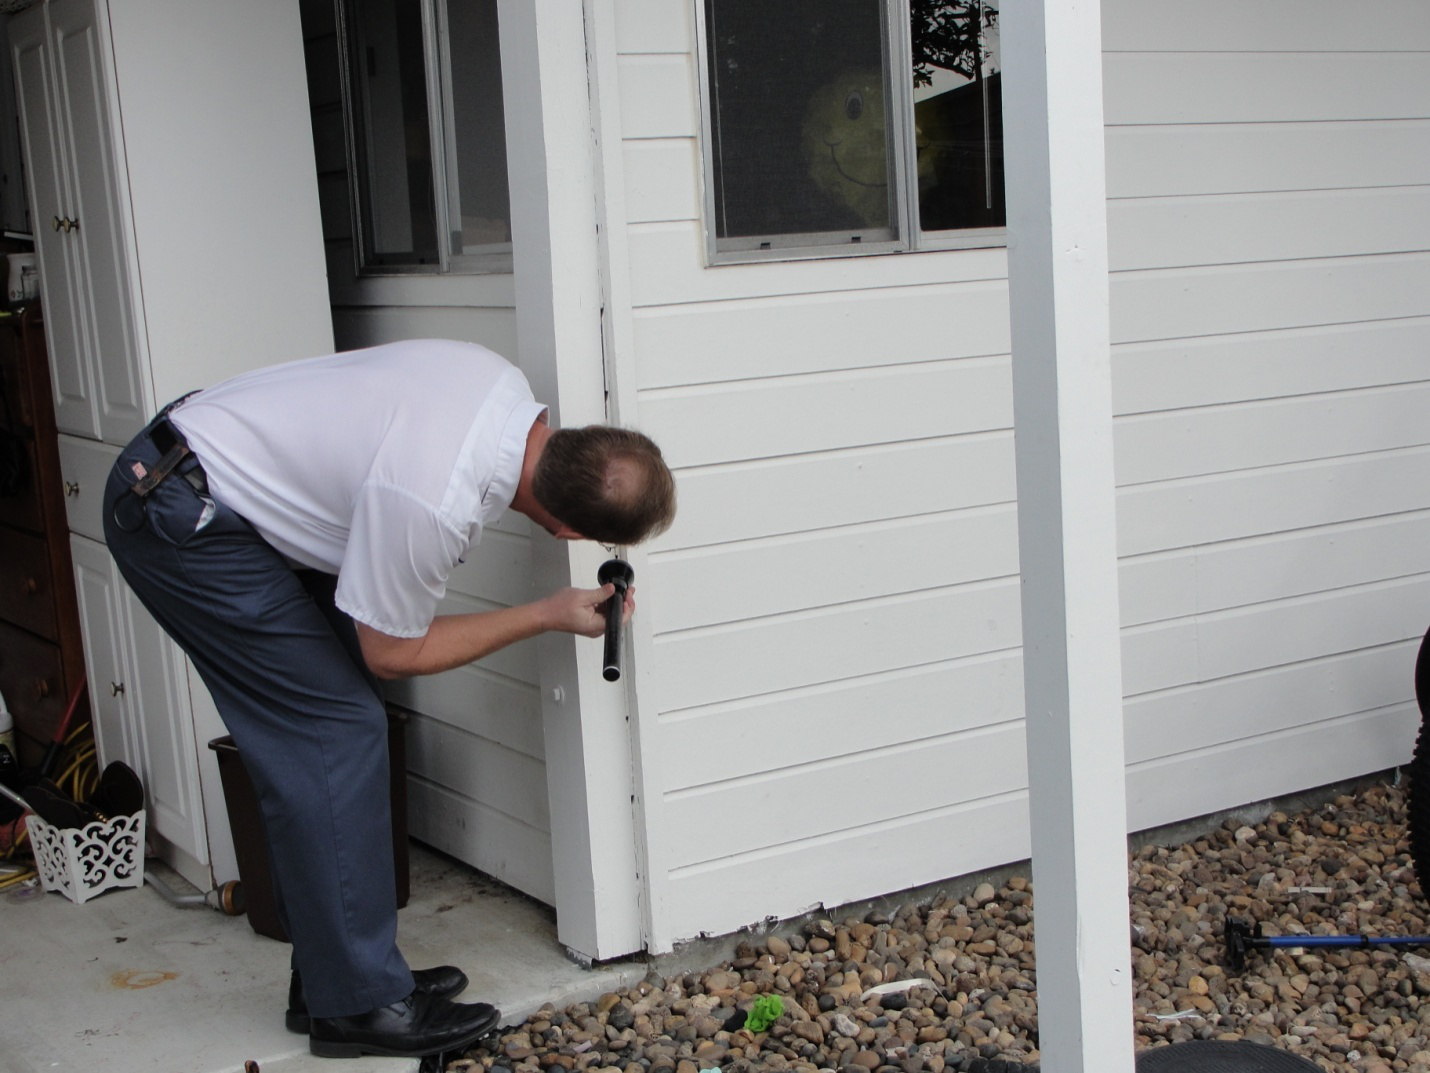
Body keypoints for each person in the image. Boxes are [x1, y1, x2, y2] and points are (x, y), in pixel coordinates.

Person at [102, 339, 676, 1059]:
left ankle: (333, 980)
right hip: (181, 514)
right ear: (568, 529)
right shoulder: (433, 498)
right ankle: (358, 1006)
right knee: (336, 732)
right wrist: (546, 612)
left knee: (339, 720)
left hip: (211, 483)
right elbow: (394, 649)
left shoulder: (495, 381)